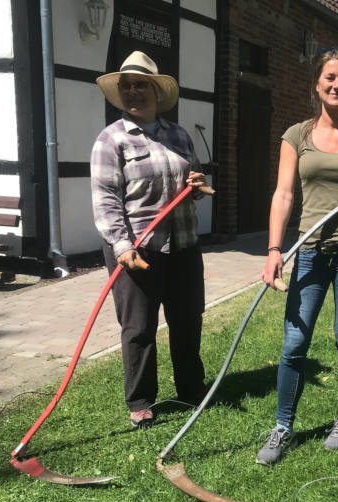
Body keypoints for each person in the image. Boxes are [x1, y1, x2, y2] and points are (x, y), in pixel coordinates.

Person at [257, 47, 338, 465]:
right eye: (330, 77)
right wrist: (274, 249)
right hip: (310, 252)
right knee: (295, 342)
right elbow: (283, 194)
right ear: (317, 84)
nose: (337, 85)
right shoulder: (296, 134)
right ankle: (282, 426)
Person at [91, 51, 208, 428]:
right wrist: (122, 247)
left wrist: (197, 186)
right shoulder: (111, 140)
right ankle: (141, 400)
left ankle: (191, 388)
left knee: (188, 319)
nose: (133, 92)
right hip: (138, 250)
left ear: (157, 91)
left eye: (141, 85)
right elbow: (106, 199)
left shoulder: (179, 134)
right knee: (139, 327)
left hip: (184, 244)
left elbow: (192, 183)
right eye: (126, 86)